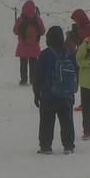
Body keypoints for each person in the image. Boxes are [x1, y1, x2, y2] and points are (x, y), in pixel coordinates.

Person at [33, 26, 77, 155]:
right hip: (66, 95)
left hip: (49, 96)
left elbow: (38, 76)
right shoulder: (69, 53)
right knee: (67, 121)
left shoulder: (45, 55)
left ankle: (46, 147)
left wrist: (36, 93)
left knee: (46, 122)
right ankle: (68, 146)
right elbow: (75, 72)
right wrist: (73, 91)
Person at [13, 0, 46, 85]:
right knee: (33, 64)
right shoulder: (38, 20)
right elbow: (42, 32)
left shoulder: (20, 19)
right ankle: (33, 80)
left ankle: (23, 79)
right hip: (34, 47)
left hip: (23, 46)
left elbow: (15, 31)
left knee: (23, 64)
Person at [70, 9, 90, 112]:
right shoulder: (86, 26)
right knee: (86, 80)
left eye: (76, 20)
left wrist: (76, 32)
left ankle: (86, 103)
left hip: (87, 57)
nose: (76, 22)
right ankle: (89, 101)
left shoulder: (88, 28)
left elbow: (86, 40)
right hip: (84, 55)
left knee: (85, 80)